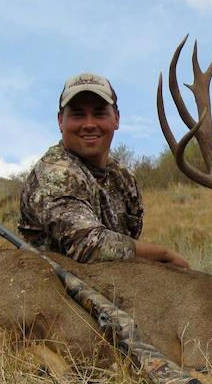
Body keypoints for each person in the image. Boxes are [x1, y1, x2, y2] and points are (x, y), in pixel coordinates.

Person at [19, 73, 189, 267]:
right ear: (60, 121)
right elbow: (89, 245)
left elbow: (128, 244)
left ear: (116, 119)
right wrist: (164, 255)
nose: (89, 124)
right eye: (78, 114)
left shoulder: (123, 178)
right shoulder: (55, 173)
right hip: (50, 288)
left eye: (99, 113)